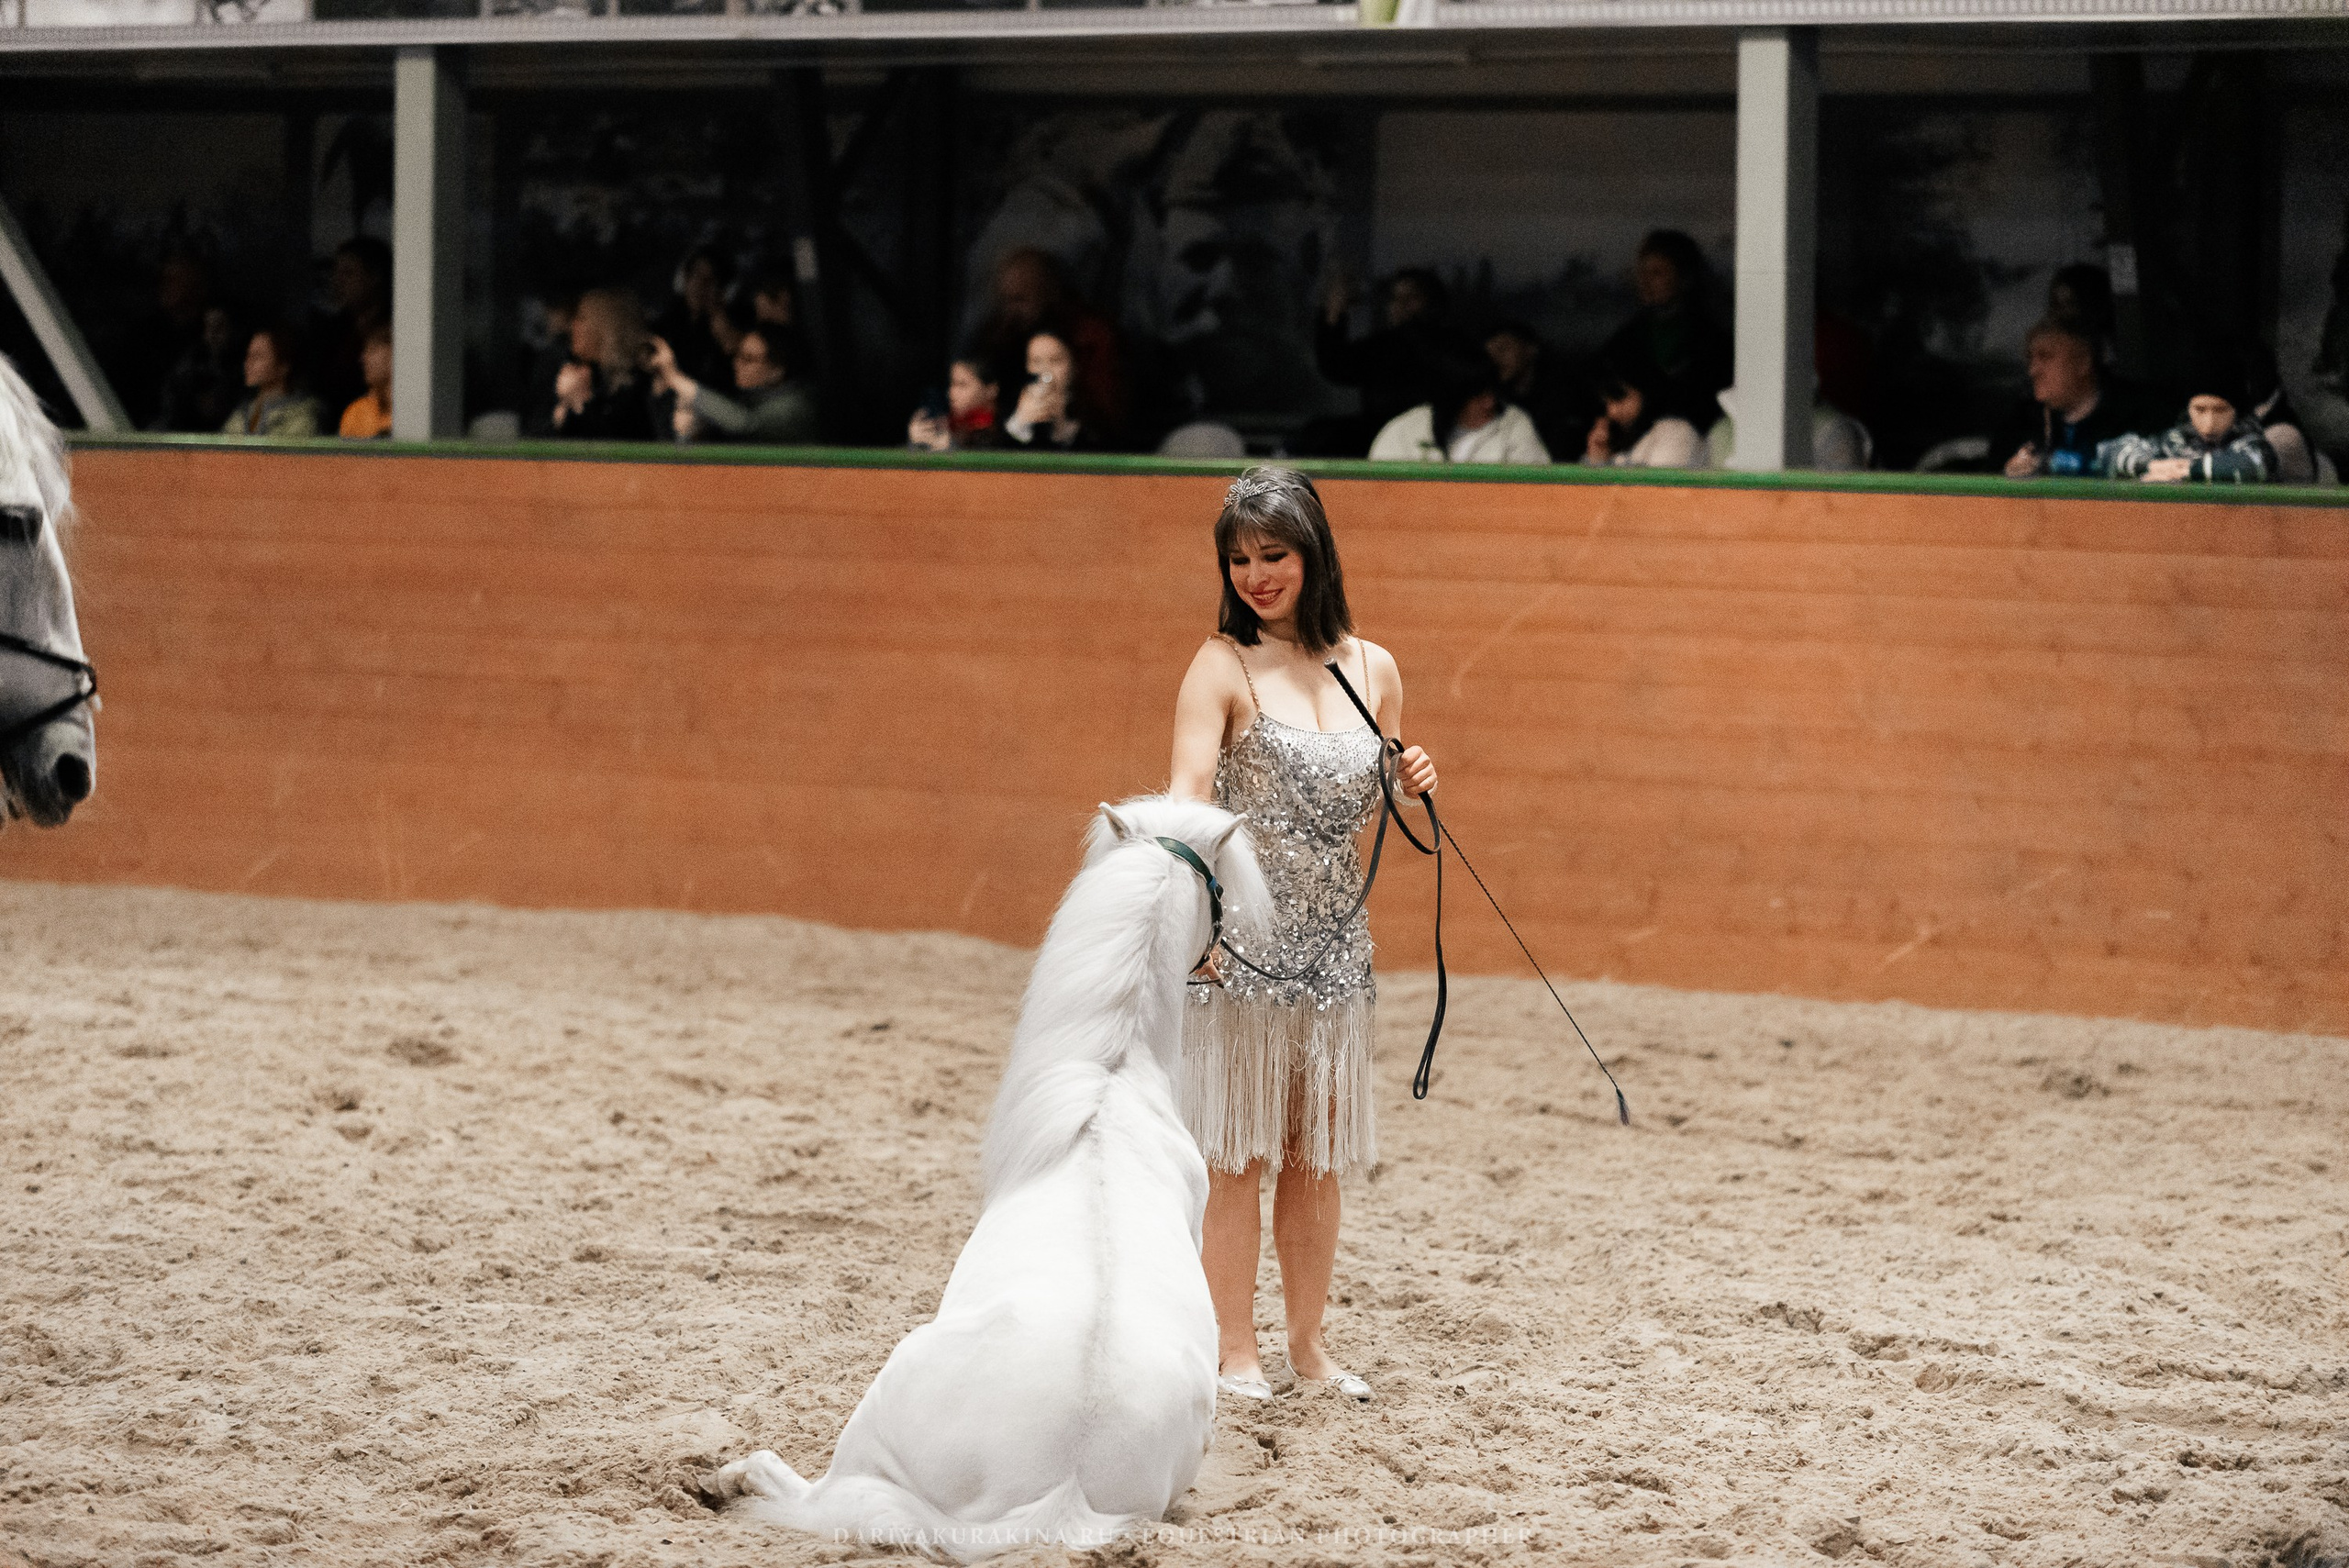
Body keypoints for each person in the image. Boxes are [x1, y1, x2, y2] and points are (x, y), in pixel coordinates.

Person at [1167, 467, 1437, 1406]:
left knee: (1315, 1153)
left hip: (1335, 949)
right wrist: (1191, 916)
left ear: (1312, 552)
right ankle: (1232, 1347)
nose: (1254, 575)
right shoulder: (1220, 665)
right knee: (1235, 1151)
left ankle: (1308, 1344)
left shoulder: (1374, 667)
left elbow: (1390, 796)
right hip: (1236, 943)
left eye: (1273, 554)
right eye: (1238, 559)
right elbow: (1187, 801)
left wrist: (1412, 780)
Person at [974, 249, 1125, 444]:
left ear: (1049, 293)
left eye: (1020, 300)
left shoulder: (1089, 338)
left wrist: (1067, 424)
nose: (1011, 312)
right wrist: (1018, 425)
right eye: (1036, 361)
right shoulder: (997, 337)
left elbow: (1110, 423)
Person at [1312, 267, 1461, 457]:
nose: (1401, 305)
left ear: (1433, 303)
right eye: (1395, 298)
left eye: (1412, 297)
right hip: (1379, 441)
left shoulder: (1452, 347)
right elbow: (1335, 365)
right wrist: (1335, 309)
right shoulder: (1382, 346)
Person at [1598, 230, 1732, 434]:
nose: (1645, 281)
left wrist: (1647, 405)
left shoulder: (1712, 344)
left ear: (1685, 279)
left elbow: (1707, 407)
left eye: (1657, 273)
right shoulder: (1626, 341)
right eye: (1641, 273)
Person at [1992, 316, 2143, 479]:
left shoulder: (2134, 417)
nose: (2033, 371)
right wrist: (2011, 474)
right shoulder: (2022, 424)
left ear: (2083, 362)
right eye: (2031, 359)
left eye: (2046, 357)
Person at [2100, 355, 2277, 484]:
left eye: (2220, 410)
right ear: (2188, 409)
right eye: (2199, 410)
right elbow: (2109, 452)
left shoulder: (2252, 443)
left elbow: (2254, 464)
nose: (2209, 425)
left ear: (2236, 411)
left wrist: (2184, 470)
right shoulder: (2174, 441)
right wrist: (2150, 465)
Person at [650, 325, 818, 445]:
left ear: (777, 370)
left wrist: (674, 377)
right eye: (737, 354)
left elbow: (745, 423)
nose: (737, 364)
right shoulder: (752, 395)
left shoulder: (796, 404)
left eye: (748, 359)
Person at [1366, 358, 1550, 464]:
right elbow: (1380, 491)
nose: (1489, 403)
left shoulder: (1514, 424)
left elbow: (1537, 492)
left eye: (1492, 393)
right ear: (1451, 400)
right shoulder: (1405, 429)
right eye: (1478, 397)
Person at [543, 288, 656, 441]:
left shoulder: (637, 382)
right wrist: (563, 408)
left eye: (582, 318)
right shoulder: (575, 372)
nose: (573, 326)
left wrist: (578, 403)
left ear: (604, 327)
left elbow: (617, 444)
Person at [312, 236, 392, 420]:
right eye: (336, 273)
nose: (337, 282)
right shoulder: (329, 331)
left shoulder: (399, 328)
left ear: (375, 277)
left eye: (348, 273)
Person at [1484, 320, 1586, 460]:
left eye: (1503, 349)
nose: (1496, 359)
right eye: (1490, 353)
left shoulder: (1561, 394)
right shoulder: (1495, 399)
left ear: (1531, 349)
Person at [652, 245, 743, 391]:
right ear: (686, 279)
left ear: (722, 289)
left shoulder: (730, 322)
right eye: (697, 275)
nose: (701, 285)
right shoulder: (668, 319)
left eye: (710, 279)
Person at [1583, 364, 1707, 469]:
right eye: (1607, 403)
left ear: (1645, 391)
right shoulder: (1616, 439)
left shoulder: (1674, 431)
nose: (1612, 411)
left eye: (1619, 398)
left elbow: (1657, 490)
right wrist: (1597, 460)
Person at [1001, 330, 1102, 452]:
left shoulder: (1091, 410)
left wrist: (1061, 427)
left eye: (1055, 360)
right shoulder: (1011, 405)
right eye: (1036, 361)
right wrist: (1019, 425)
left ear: (1073, 365)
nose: (1046, 371)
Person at [154, 303, 245, 434]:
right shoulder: (190, 362)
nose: (213, 334)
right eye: (208, 327)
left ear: (233, 330)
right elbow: (171, 402)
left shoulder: (245, 367)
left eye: (219, 327)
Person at [220, 326, 323, 439]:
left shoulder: (301, 418)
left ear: (283, 366)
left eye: (258, 356)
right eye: (248, 355)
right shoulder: (241, 414)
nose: (248, 363)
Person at [907, 357, 1005, 451]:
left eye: (962, 385)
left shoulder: (1005, 431)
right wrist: (916, 444)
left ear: (991, 390)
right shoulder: (945, 425)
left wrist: (950, 450)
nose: (951, 393)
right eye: (952, 384)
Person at [339, 323, 394, 439]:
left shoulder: (420, 412)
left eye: (372, 350)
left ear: (394, 355)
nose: (363, 359)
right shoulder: (357, 412)